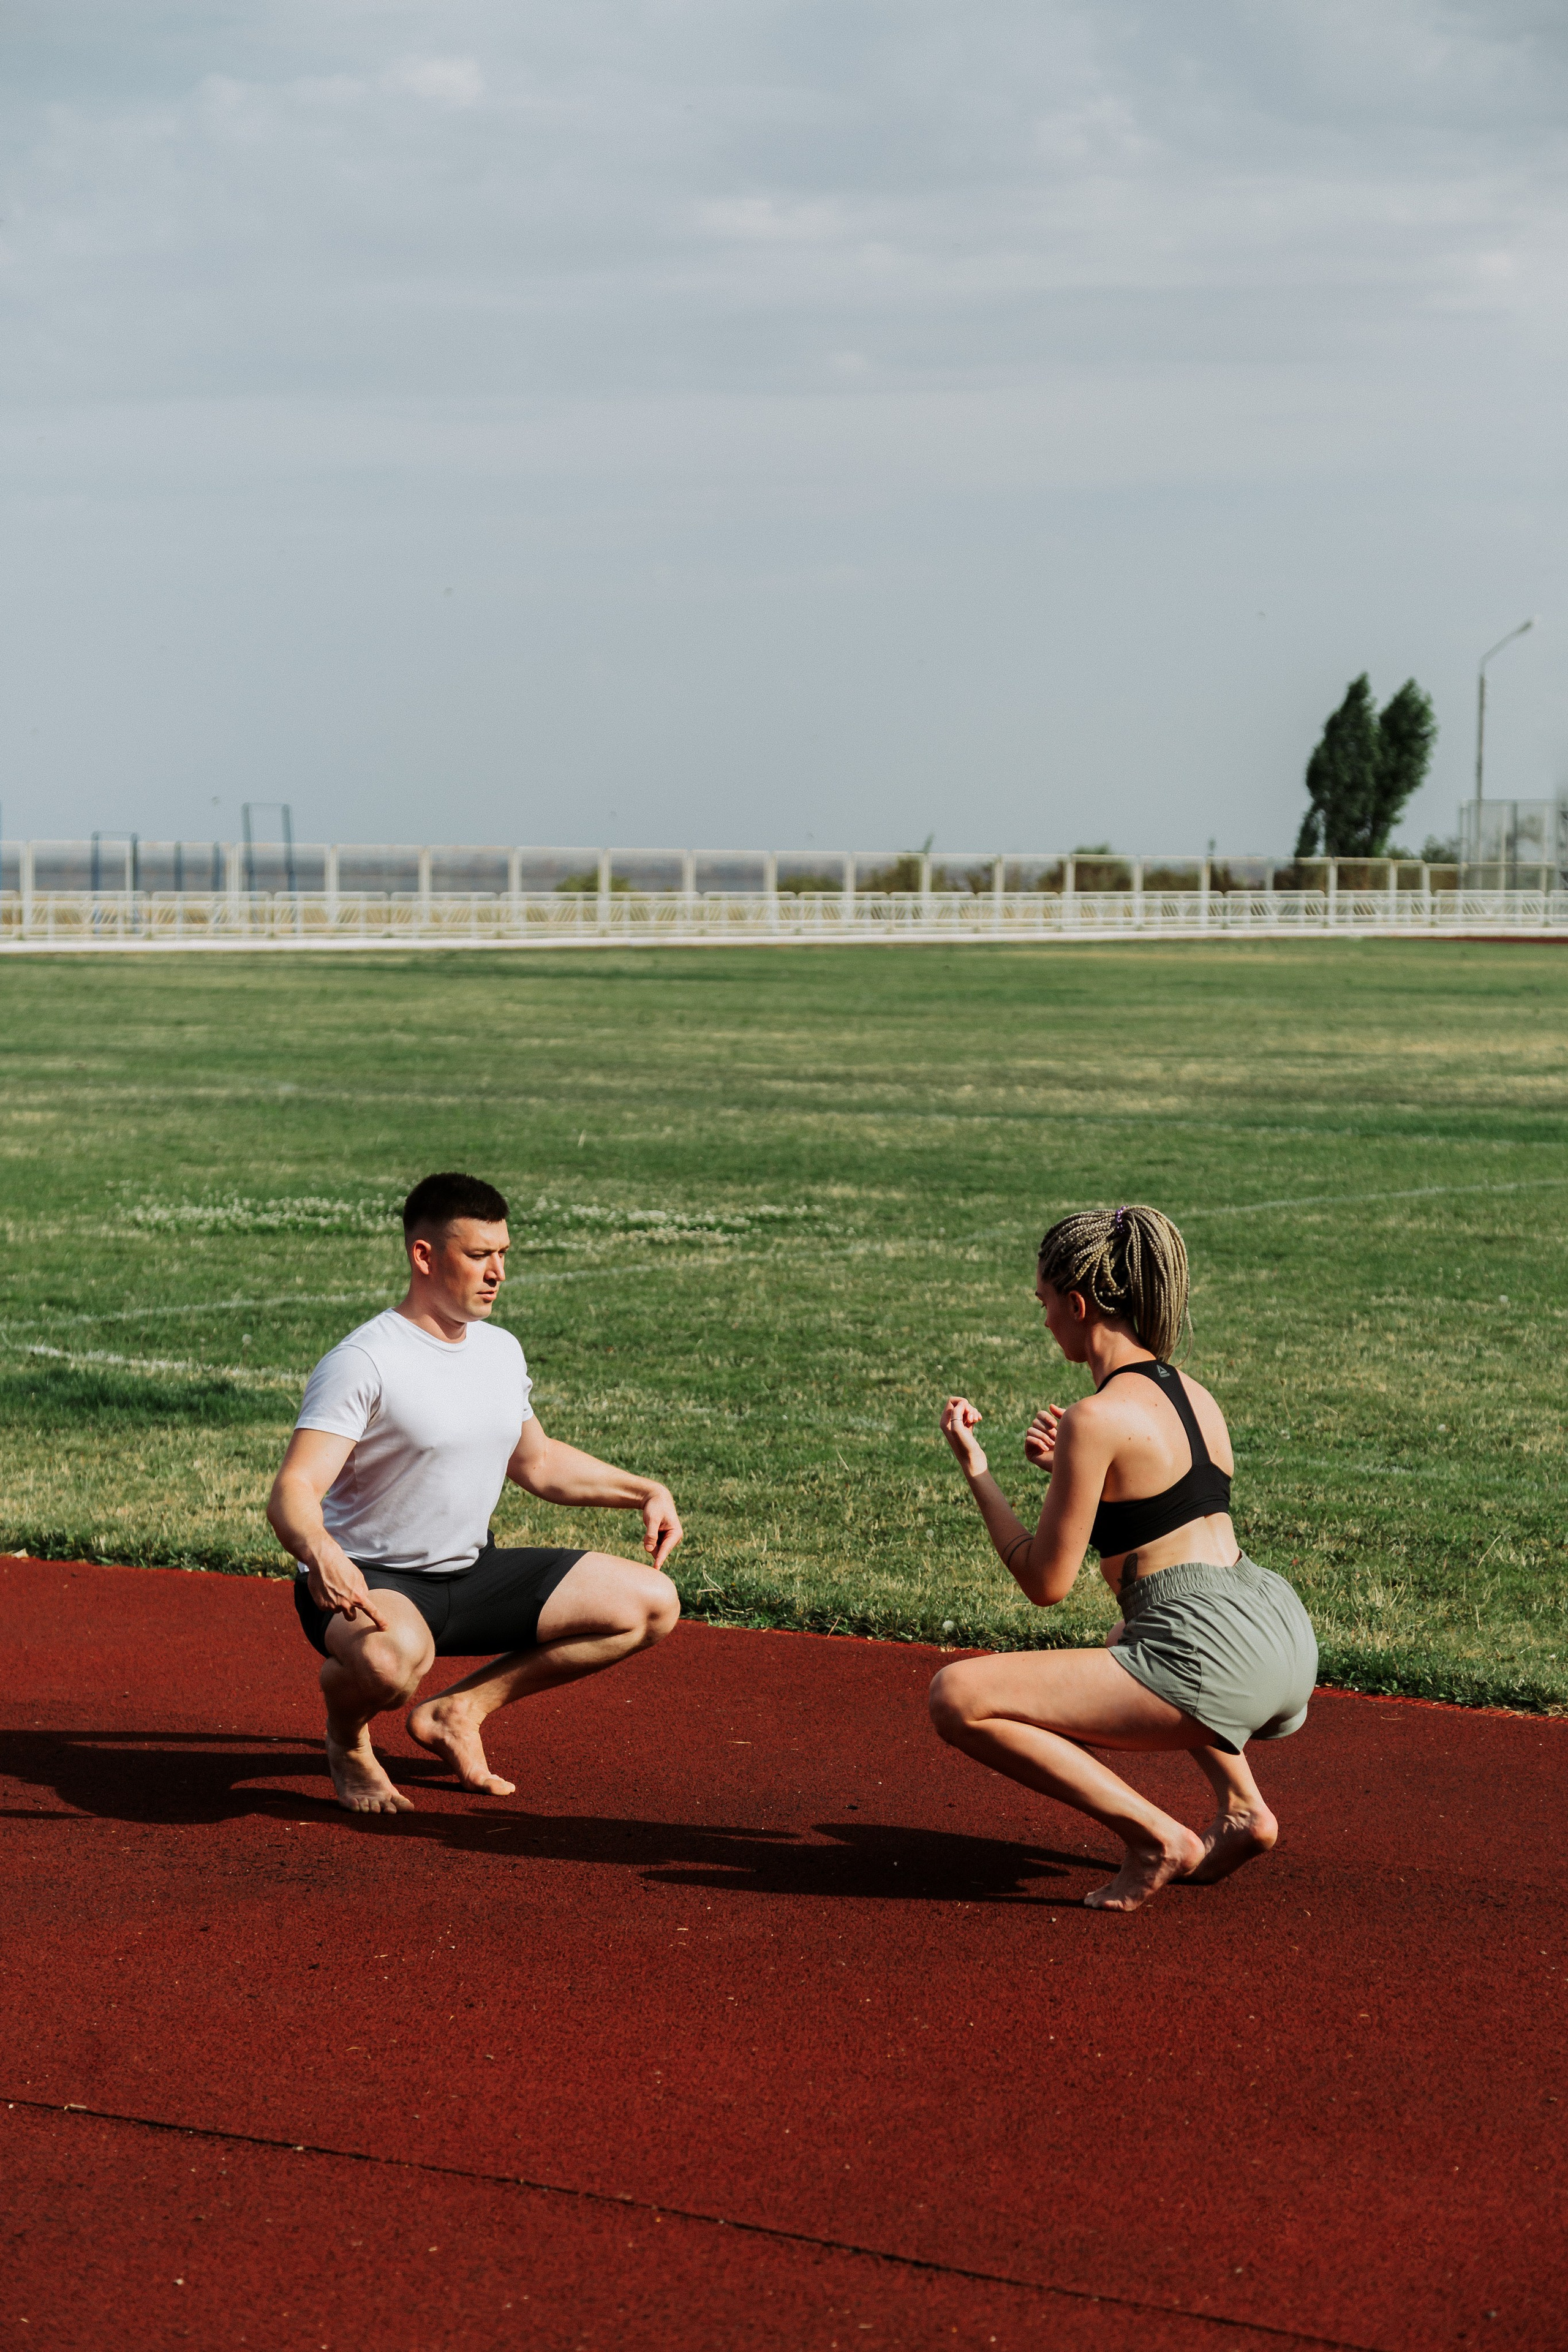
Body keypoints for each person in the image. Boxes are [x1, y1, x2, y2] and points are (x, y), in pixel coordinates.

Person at [930, 1204, 1317, 1913]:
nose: (1043, 1319)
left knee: (958, 1698)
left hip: (1213, 1654)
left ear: (1077, 1304)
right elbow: (1158, 1514)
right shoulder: (1194, 1394)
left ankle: (1154, 1837)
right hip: (1278, 1631)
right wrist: (1069, 1475)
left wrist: (976, 1469)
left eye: (1044, 1302)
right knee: (1122, 1638)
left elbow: (1043, 1581)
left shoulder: (1095, 1417)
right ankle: (1243, 1810)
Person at [267, 1170, 682, 1815]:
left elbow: (538, 1463)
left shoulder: (497, 1350)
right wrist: (318, 1550)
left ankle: (459, 1711)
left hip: (471, 1574)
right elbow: (294, 1486)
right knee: (390, 1664)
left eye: (504, 1255)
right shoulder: (365, 1359)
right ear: (424, 1255)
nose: (498, 1273)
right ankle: (348, 1741)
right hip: (373, 1581)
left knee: (651, 1603)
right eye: (479, 1256)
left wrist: (644, 1491)